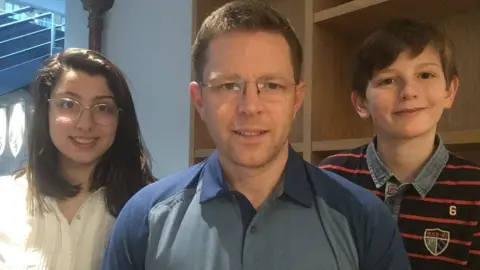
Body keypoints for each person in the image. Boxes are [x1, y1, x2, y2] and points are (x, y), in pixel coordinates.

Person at [101, 1, 410, 270]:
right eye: (227, 86)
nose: (250, 107)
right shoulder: (143, 219)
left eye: (272, 85)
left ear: (297, 99)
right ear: (199, 101)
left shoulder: (364, 219)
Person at [319, 18, 480, 270]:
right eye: (388, 80)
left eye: (425, 74)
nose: (409, 91)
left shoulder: (474, 190)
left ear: (450, 90)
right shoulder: (330, 178)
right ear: (361, 103)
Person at [0, 48, 156, 270]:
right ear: (46, 112)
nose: (85, 124)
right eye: (68, 104)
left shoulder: (152, 207)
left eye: (103, 108)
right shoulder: (5, 199)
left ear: (120, 119)